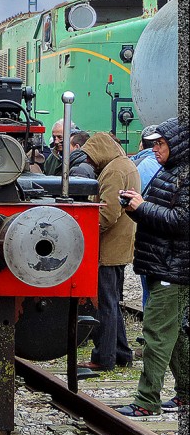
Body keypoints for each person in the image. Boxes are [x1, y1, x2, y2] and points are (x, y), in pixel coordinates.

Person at [116, 117, 188, 416]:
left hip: (174, 268)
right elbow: (161, 218)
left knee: (157, 333)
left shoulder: (184, 176)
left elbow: (181, 221)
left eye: (161, 144)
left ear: (178, 145)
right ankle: (185, 393)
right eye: (154, 143)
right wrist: (135, 207)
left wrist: (142, 207)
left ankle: (147, 401)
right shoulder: (170, 172)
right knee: (176, 334)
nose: (155, 149)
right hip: (163, 265)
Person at [78, 130, 140, 373]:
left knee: (105, 304)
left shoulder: (113, 171)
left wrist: (86, 234)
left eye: (91, 159)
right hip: (120, 245)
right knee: (113, 302)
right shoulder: (125, 164)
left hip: (108, 248)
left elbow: (108, 212)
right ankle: (122, 353)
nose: (90, 164)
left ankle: (103, 357)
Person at [130, 126, 161, 309]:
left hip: (143, 228)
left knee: (149, 285)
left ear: (142, 143)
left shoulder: (138, 164)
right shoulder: (172, 167)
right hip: (162, 234)